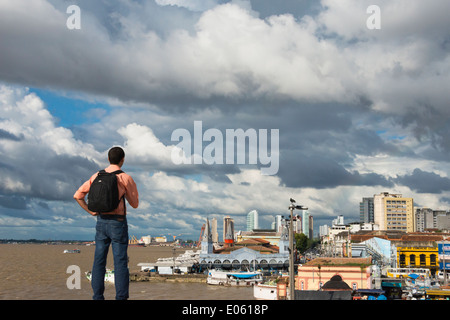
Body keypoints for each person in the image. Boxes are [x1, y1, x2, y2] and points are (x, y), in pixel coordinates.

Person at [74, 146, 139, 300]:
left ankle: (97, 297)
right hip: (118, 223)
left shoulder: (96, 175)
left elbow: (78, 195)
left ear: (108, 159)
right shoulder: (125, 178)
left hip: (101, 222)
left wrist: (91, 211)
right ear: (122, 160)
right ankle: (121, 298)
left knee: (99, 261)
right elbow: (135, 204)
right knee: (120, 262)